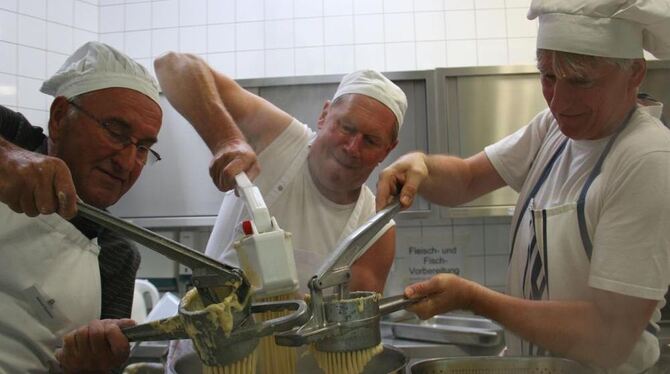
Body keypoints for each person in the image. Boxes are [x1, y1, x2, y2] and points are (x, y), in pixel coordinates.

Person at [376, 1, 670, 373]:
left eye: (581, 80)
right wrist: (421, 166)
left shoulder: (646, 159)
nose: (559, 101)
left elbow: (609, 337)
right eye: (548, 76)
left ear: (634, 74)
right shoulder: (553, 128)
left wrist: (475, 298)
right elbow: (466, 179)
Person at [153, 53, 406, 370]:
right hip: (209, 359)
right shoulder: (280, 141)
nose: (352, 148)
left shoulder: (375, 228)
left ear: (389, 149)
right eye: (346, 127)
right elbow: (172, 66)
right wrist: (226, 140)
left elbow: (348, 337)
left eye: (370, 140)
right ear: (325, 115)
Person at [0, 41, 163, 372]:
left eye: (143, 148)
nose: (127, 162)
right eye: (116, 131)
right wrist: (5, 156)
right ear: (59, 118)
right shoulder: (10, 133)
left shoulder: (117, 255)